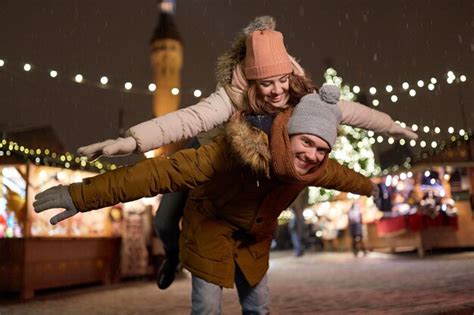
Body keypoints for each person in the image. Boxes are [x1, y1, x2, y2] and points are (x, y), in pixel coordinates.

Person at [76, 17, 417, 289]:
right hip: (206, 153)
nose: (277, 91)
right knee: (165, 221)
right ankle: (173, 255)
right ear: (252, 79)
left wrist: (392, 126)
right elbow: (187, 120)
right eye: (267, 84)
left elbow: (350, 111)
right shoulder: (232, 94)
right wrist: (133, 141)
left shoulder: (299, 92)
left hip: (240, 175)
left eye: (281, 80)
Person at [34, 88, 378, 314]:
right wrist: (80, 194)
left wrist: (373, 189)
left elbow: (347, 176)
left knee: (258, 307)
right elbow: (155, 175)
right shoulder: (237, 136)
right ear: (287, 136)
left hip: (252, 237)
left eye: (322, 149)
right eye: (307, 143)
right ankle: (172, 256)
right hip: (208, 214)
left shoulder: (315, 167)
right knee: (168, 226)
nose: (314, 155)